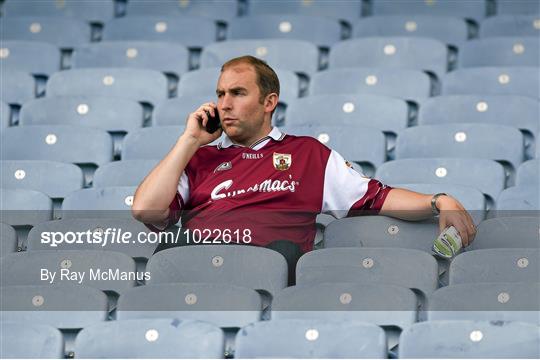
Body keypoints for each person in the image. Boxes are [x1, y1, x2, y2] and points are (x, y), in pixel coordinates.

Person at [132, 55, 476, 269]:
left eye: (238, 93)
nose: (224, 104)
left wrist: (437, 200)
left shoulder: (308, 154)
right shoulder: (199, 158)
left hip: (265, 276)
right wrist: (189, 141)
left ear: (269, 102)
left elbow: (375, 197)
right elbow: (146, 212)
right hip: (196, 269)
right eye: (221, 94)